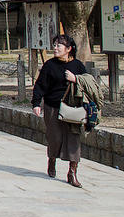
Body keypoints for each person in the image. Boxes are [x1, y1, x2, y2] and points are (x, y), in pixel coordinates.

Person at [32, 33, 88, 187]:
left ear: (68, 49)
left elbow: (89, 84)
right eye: (55, 45)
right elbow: (40, 86)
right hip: (53, 107)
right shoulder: (50, 65)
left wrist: (75, 79)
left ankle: (72, 172)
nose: (55, 48)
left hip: (73, 109)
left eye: (59, 45)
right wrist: (36, 103)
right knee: (54, 138)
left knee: (74, 139)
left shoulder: (78, 66)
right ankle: (52, 159)